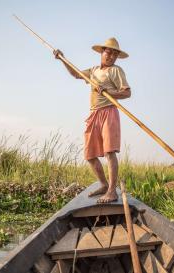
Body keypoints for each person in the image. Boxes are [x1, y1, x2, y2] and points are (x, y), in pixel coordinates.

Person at [53, 37, 131, 203]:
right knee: (89, 155)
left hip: (109, 112)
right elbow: (75, 74)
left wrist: (109, 92)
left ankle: (111, 191)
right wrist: (62, 59)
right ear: (102, 53)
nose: (110, 56)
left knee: (109, 152)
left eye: (114, 54)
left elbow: (126, 92)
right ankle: (103, 184)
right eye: (108, 52)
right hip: (94, 113)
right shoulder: (94, 70)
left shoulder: (116, 71)